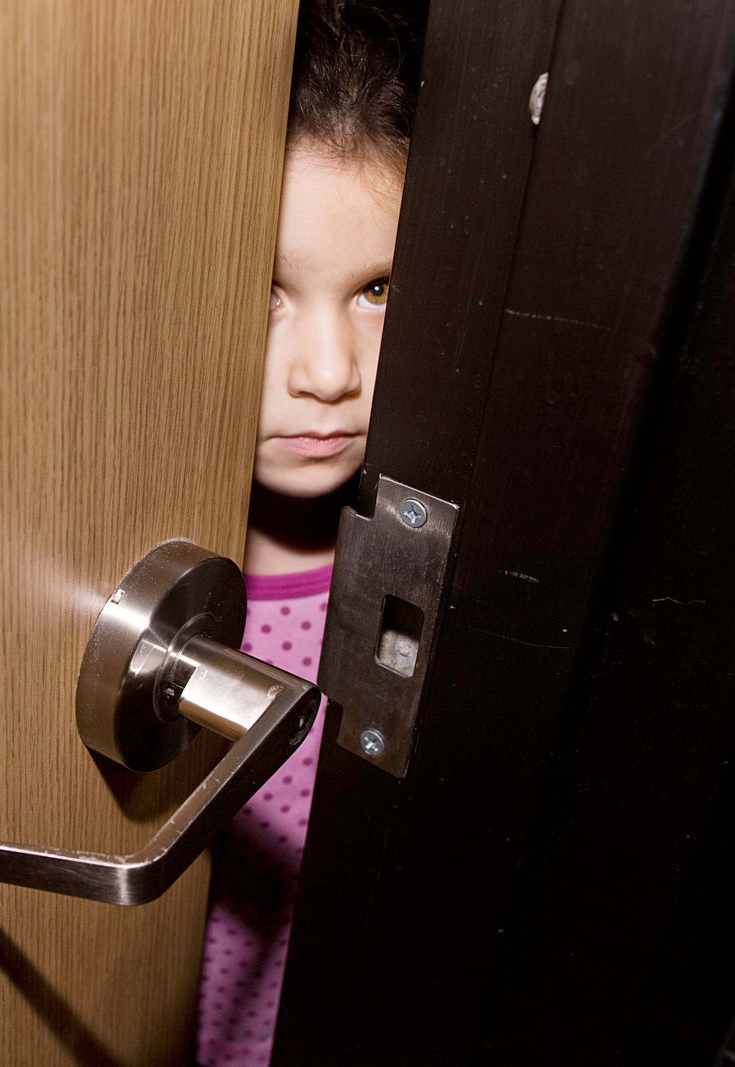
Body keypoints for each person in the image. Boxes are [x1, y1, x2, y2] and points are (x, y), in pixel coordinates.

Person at [196, 4, 419, 1064]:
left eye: (374, 288)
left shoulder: (426, 575)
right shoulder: (129, 578)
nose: (328, 372)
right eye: (265, 293)